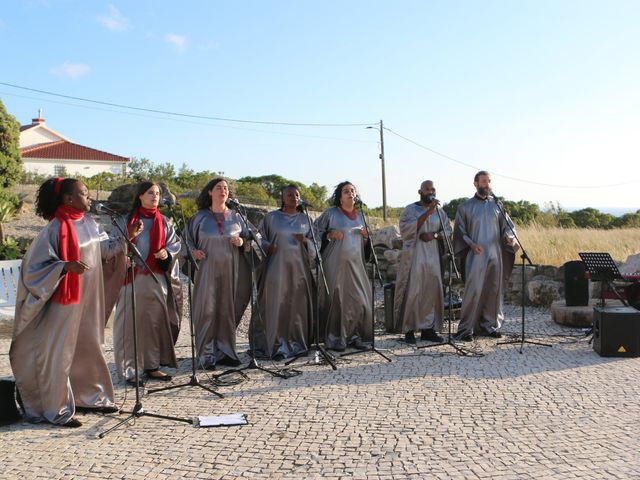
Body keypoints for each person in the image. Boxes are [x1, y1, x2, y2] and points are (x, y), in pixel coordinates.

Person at [9, 178, 131, 428]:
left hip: (88, 300)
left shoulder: (89, 224)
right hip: (62, 304)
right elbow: (33, 269)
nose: (89, 198)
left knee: (89, 347)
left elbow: (102, 252)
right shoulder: (53, 230)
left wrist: (126, 238)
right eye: (84, 193)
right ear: (68, 199)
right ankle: (57, 408)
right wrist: (64, 266)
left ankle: (91, 397)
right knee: (60, 354)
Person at [111, 181, 182, 385]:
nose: (155, 196)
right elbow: (114, 244)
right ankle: (129, 370)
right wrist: (125, 248)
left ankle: (152, 366)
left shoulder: (165, 222)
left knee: (153, 324)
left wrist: (167, 252)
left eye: (158, 193)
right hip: (131, 278)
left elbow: (175, 244)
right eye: (150, 192)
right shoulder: (126, 220)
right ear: (140, 196)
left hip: (156, 278)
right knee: (128, 325)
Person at [184, 178, 246, 368]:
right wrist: (193, 252)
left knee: (227, 309)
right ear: (210, 192)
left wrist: (243, 243)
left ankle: (227, 352)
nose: (223, 191)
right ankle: (207, 355)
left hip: (230, 271)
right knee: (207, 309)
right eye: (218, 188)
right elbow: (185, 241)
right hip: (206, 270)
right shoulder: (199, 217)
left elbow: (255, 237)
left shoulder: (237, 216)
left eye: (226, 188)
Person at [249, 185, 315, 360]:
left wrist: (306, 242)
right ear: (282, 198)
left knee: (297, 307)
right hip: (276, 269)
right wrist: (267, 246)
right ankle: (276, 345)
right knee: (276, 305)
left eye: (297, 195)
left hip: (300, 271)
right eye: (290, 195)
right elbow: (259, 238)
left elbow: (316, 244)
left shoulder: (305, 219)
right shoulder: (271, 218)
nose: (294, 197)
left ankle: (297, 344)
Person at [453, 171, 519, 341]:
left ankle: (490, 326)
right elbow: (460, 231)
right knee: (473, 291)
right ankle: (466, 329)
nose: (487, 185)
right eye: (484, 181)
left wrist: (510, 237)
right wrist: (471, 244)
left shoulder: (497, 205)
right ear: (475, 183)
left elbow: (508, 226)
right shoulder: (465, 207)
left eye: (489, 181)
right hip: (475, 256)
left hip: (495, 255)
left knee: (494, 291)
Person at [315, 181, 372, 351]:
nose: (350, 193)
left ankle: (356, 336)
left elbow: (367, 244)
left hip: (357, 265)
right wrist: (329, 234)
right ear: (339, 197)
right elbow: (314, 232)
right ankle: (336, 338)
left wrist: (366, 237)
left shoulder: (361, 216)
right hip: (334, 263)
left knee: (359, 300)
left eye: (352, 191)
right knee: (337, 300)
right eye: (346, 191)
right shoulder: (330, 214)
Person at [394, 180, 450, 344]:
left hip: (433, 258)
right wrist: (428, 212)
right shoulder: (410, 210)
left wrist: (434, 236)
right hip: (415, 258)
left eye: (432, 189)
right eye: (427, 189)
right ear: (420, 192)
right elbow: (406, 229)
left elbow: (447, 231)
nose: (430, 191)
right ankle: (409, 329)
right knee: (414, 292)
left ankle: (428, 329)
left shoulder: (440, 212)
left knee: (430, 292)